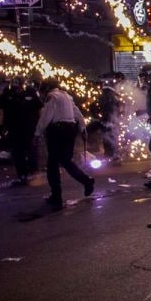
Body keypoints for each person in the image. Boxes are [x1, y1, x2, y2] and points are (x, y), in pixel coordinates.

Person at [33, 78, 95, 210]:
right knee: (66, 161)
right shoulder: (67, 96)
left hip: (57, 131)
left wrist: (37, 133)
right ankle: (86, 180)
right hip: (70, 130)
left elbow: (46, 117)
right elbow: (77, 113)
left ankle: (56, 196)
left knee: (52, 164)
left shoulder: (52, 97)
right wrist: (83, 129)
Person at [0, 77, 43, 184]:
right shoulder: (7, 94)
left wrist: (40, 125)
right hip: (14, 128)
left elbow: (39, 108)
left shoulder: (30, 92)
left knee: (31, 149)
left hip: (30, 127)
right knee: (18, 152)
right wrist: (1, 124)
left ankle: (32, 172)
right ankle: (22, 174)